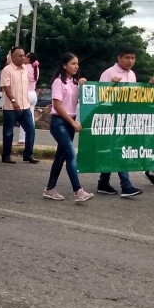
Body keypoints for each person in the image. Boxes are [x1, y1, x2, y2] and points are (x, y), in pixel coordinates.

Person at [42, 53, 94, 203]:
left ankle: (50, 189)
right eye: (73, 63)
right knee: (71, 154)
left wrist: (84, 84)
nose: (76, 66)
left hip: (70, 122)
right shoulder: (58, 82)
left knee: (60, 157)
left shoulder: (75, 82)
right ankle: (78, 191)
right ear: (64, 65)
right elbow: (57, 106)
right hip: (59, 123)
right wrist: (72, 123)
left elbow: (84, 100)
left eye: (77, 64)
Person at [97, 47, 143, 198]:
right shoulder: (109, 73)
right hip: (111, 118)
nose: (130, 61)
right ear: (119, 58)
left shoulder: (132, 75)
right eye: (127, 58)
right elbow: (100, 98)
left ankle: (103, 183)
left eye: (133, 58)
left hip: (126, 118)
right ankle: (126, 186)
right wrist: (111, 86)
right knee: (119, 150)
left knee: (113, 150)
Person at [0, 46, 38, 164]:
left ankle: (28, 154)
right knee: (8, 132)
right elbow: (6, 86)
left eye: (24, 55)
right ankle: (6, 155)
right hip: (11, 107)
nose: (23, 58)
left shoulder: (25, 69)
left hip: (25, 106)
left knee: (30, 129)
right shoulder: (7, 70)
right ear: (13, 57)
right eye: (20, 56)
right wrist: (13, 100)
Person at [19, 53, 40, 145]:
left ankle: (22, 139)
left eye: (26, 57)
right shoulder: (36, 68)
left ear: (29, 59)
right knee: (30, 117)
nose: (24, 58)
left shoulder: (24, 67)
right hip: (33, 94)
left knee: (23, 117)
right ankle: (31, 138)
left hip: (26, 94)